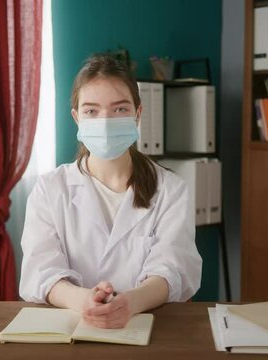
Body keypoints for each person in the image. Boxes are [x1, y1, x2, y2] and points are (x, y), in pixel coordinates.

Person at [19, 54, 202, 329]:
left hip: (146, 328)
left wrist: (130, 303)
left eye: (119, 109)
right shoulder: (50, 189)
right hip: (72, 328)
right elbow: (40, 270)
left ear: (138, 115)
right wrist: (83, 300)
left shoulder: (170, 189)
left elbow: (174, 269)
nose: (105, 121)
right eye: (91, 111)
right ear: (76, 118)